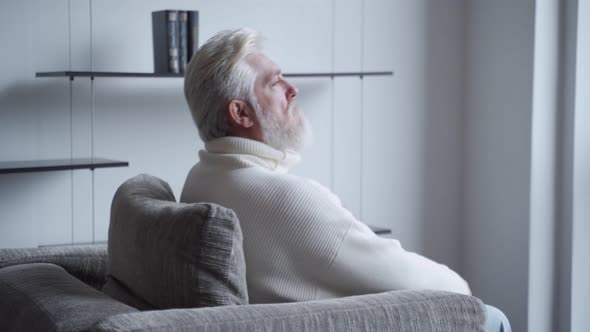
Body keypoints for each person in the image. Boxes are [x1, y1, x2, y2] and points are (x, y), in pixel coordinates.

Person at [181, 28, 510, 332]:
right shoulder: (284, 196)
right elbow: (430, 286)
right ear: (241, 113)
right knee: (491, 318)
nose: (293, 90)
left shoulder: (201, 178)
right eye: (274, 83)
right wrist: (463, 289)